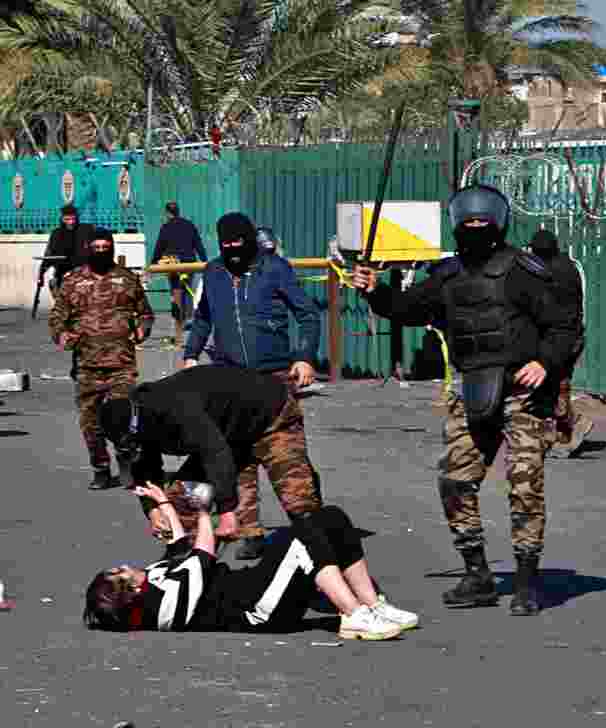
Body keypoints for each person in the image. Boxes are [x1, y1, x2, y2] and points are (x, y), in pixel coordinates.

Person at [352, 184, 577, 616]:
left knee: (524, 487)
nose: (474, 229)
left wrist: (546, 363)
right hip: (471, 390)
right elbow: (405, 309)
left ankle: (527, 582)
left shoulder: (521, 271)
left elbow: (564, 324)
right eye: (467, 222)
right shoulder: (447, 275)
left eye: (482, 222)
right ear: (457, 225)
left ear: (497, 224)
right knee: (455, 481)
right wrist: (373, 291)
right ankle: (477, 574)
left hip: (522, 395)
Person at [83, 483, 417, 640]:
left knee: (329, 519)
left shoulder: (154, 580)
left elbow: (177, 549)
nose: (123, 565)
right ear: (131, 589)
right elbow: (201, 555)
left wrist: (164, 503)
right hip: (259, 609)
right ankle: (353, 614)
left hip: (256, 584)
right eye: (119, 573)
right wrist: (201, 510)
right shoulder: (165, 608)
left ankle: (373, 605)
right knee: (299, 541)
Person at [183, 212, 321, 561]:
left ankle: (311, 527)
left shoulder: (273, 268)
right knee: (237, 458)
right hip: (229, 380)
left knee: (287, 457)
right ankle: (251, 531)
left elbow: (307, 314)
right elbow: (202, 318)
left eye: (238, 243)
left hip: (273, 378)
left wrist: (304, 357)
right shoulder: (213, 273)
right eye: (225, 244)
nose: (232, 251)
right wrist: (190, 355)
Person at [98, 366, 328, 552]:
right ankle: (187, 574)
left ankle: (330, 564)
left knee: (299, 502)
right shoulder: (130, 423)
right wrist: (154, 510)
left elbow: (214, 453)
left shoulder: (175, 407)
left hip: (270, 416)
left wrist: (228, 512)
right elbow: (145, 469)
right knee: (178, 506)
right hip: (226, 434)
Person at [48, 228, 154, 490]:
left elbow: (145, 313)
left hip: (122, 364)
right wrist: (61, 335)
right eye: (95, 248)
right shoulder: (73, 280)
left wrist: (142, 330)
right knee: (91, 424)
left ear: (113, 248)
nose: (101, 252)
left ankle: (127, 463)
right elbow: (57, 317)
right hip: (87, 366)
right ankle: (101, 468)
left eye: (106, 247)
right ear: (88, 249)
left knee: (124, 419)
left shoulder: (127, 279)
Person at [528, 229, 593, 458]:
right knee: (558, 383)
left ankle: (574, 422)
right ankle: (561, 436)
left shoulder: (547, 273)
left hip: (559, 338)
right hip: (573, 335)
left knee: (550, 385)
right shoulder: (568, 266)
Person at [151, 202, 207, 324]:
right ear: (178, 211)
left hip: (173, 263)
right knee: (187, 289)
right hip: (189, 263)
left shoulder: (166, 227)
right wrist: (204, 261)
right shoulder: (189, 225)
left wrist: (153, 263)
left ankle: (178, 320)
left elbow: (159, 247)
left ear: (167, 213)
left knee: (176, 289)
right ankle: (189, 319)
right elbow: (198, 244)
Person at [39, 204, 96, 290]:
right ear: (62, 219)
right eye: (67, 219)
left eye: (73, 219)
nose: (71, 222)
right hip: (62, 274)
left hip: (82, 275)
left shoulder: (86, 230)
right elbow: (49, 255)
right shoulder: (56, 234)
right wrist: (41, 273)